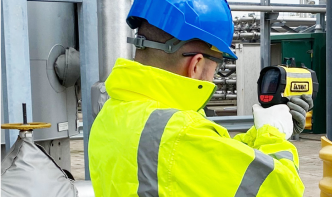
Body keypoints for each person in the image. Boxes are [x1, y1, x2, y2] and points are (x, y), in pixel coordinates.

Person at [88, 0, 313, 196]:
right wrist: (274, 135)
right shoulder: (180, 134)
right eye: (216, 68)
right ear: (196, 64)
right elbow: (283, 189)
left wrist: (256, 134)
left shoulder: (112, 114)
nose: (213, 79)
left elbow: (208, 159)